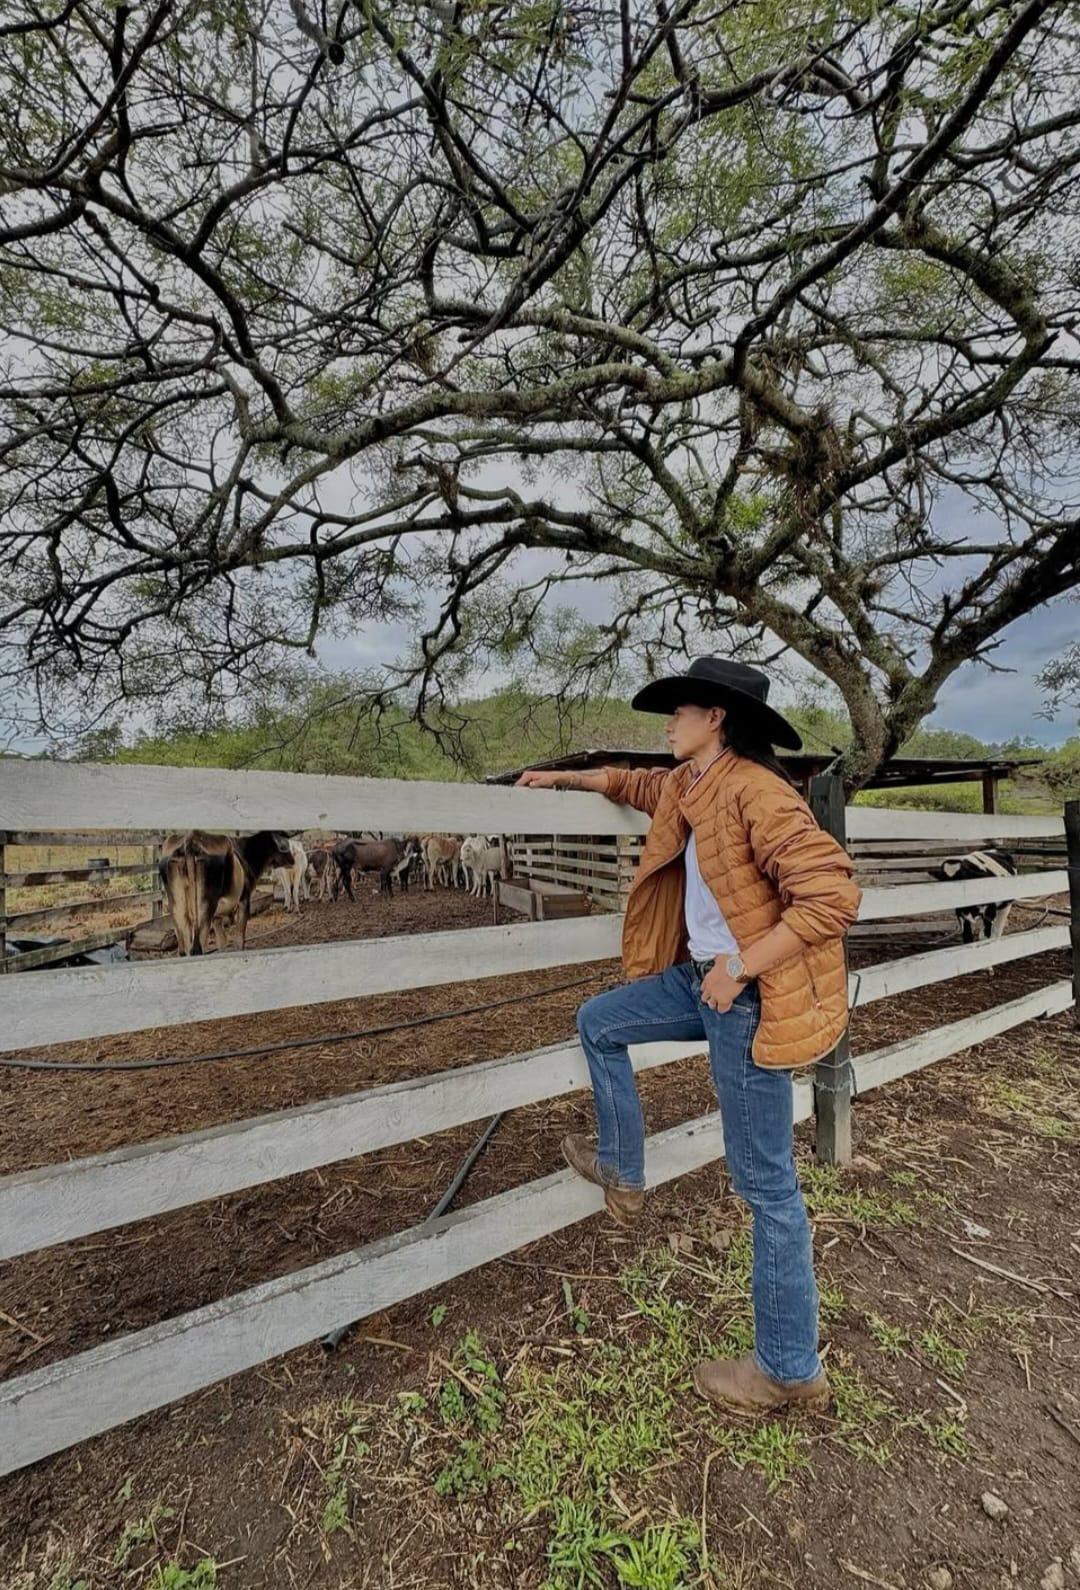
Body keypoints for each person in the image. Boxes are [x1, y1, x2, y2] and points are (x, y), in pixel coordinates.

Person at [515, 657, 861, 1415]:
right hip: (703, 979)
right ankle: (623, 1168)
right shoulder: (687, 784)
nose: (666, 724)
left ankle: (787, 1369)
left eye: (679, 712)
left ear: (717, 720)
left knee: (766, 1185)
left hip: (743, 994)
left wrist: (740, 967)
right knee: (599, 1021)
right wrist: (565, 780)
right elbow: (635, 785)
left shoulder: (759, 792)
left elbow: (833, 896)